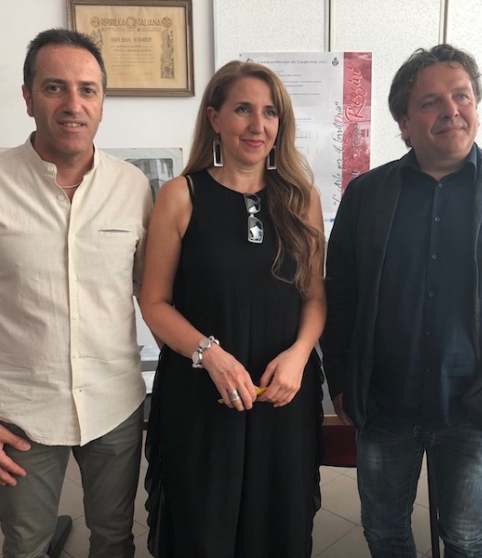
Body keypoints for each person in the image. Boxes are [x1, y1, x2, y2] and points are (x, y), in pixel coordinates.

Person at [321, 44, 482, 558]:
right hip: (383, 404)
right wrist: (342, 382)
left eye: (462, 96)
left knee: (467, 539)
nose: (451, 110)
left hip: (477, 406)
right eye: (430, 102)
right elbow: (340, 296)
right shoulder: (366, 195)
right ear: (404, 123)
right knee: (384, 533)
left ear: (476, 105)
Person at [0, 28, 153, 558]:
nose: (73, 104)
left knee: (115, 538)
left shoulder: (133, 187)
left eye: (88, 89)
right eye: (55, 88)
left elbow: (153, 294)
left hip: (114, 404)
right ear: (28, 98)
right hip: (20, 412)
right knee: (26, 544)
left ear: (102, 101)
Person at [139, 60, 326, 558]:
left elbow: (314, 296)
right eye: (243, 109)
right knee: (204, 529)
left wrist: (299, 356)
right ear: (215, 117)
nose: (257, 124)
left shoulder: (301, 198)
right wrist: (210, 355)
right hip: (202, 394)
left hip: (282, 395)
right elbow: (153, 302)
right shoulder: (181, 195)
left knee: (277, 527)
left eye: (270, 112)